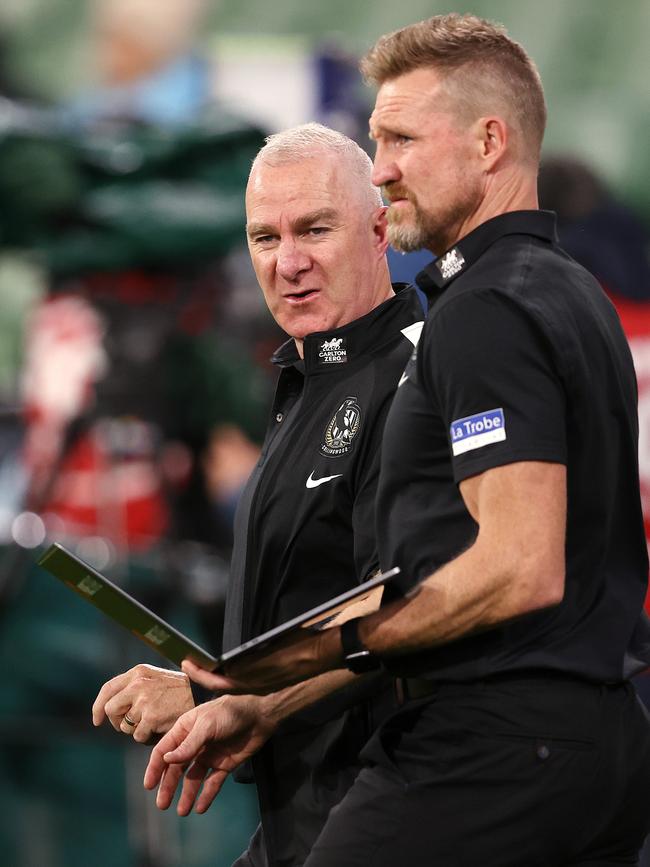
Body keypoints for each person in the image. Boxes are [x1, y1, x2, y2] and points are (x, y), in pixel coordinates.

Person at [156, 14, 650, 866]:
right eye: (263, 239)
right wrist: (259, 693)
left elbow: (518, 566)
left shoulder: (483, 310)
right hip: (593, 739)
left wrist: (331, 646)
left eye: (400, 139)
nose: (382, 169)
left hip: (489, 746)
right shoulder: (573, 293)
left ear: (490, 141)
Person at [93, 123, 425, 866]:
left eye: (314, 229)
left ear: (380, 230)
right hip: (296, 807)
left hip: (384, 805)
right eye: (265, 238)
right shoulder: (303, 379)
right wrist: (209, 682)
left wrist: (223, 692)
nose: (290, 262)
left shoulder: (416, 381)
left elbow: (400, 616)